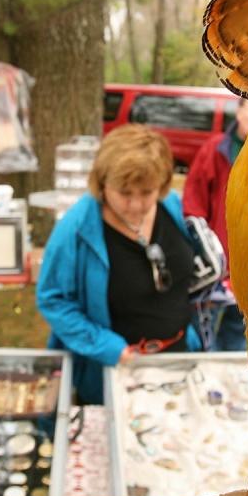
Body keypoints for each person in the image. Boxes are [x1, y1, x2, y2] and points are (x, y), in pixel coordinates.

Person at [37, 124, 202, 405]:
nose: (136, 205)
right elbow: (53, 300)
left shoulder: (172, 206)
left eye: (147, 192)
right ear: (102, 184)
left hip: (180, 358)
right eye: (125, 193)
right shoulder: (76, 230)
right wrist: (109, 348)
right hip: (117, 371)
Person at [182, 98, 248, 351]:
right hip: (217, 271)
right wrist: (208, 256)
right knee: (204, 342)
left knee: (240, 340)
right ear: (239, 112)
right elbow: (192, 207)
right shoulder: (215, 150)